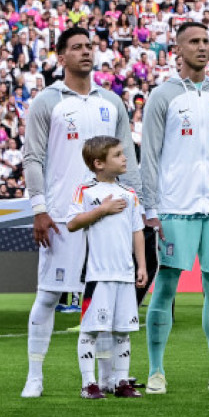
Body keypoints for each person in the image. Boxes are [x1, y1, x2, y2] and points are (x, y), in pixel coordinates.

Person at [20, 26, 137, 399]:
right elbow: (33, 157)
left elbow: (128, 160)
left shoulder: (112, 102)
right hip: (61, 215)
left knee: (105, 295)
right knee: (50, 294)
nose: (86, 52)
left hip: (109, 217)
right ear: (61, 57)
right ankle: (34, 375)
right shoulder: (47, 101)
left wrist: (141, 206)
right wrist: (39, 208)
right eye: (76, 48)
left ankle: (105, 380)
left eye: (89, 46)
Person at [140, 22, 209, 394]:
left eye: (206, 41)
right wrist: (151, 206)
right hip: (173, 207)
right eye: (194, 42)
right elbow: (148, 154)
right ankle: (156, 370)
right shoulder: (162, 96)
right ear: (177, 50)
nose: (202, 47)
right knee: (165, 285)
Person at [65, 136, 147, 400]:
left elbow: (137, 231)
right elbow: (72, 223)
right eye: (118, 155)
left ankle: (122, 381)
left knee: (123, 331)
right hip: (98, 275)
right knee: (90, 330)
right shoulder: (86, 192)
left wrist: (141, 265)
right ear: (98, 163)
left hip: (124, 273)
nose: (124, 158)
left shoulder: (130, 194)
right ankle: (89, 384)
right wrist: (103, 209)